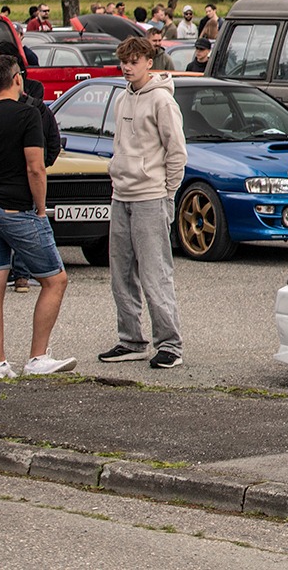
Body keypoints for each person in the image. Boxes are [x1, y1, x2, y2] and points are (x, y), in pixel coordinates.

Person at [0, 56, 76, 380]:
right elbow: (35, 166)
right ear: (17, 78)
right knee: (55, 280)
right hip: (17, 209)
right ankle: (37, 357)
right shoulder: (28, 114)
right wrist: (39, 207)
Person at [98, 36, 186, 369]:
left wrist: (168, 193)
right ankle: (131, 339)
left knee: (155, 273)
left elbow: (176, 150)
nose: (127, 67)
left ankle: (170, 344)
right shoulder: (122, 99)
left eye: (134, 61)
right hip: (121, 194)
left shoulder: (162, 101)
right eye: (124, 61)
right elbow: (120, 143)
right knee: (120, 273)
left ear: (149, 62)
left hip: (151, 195)